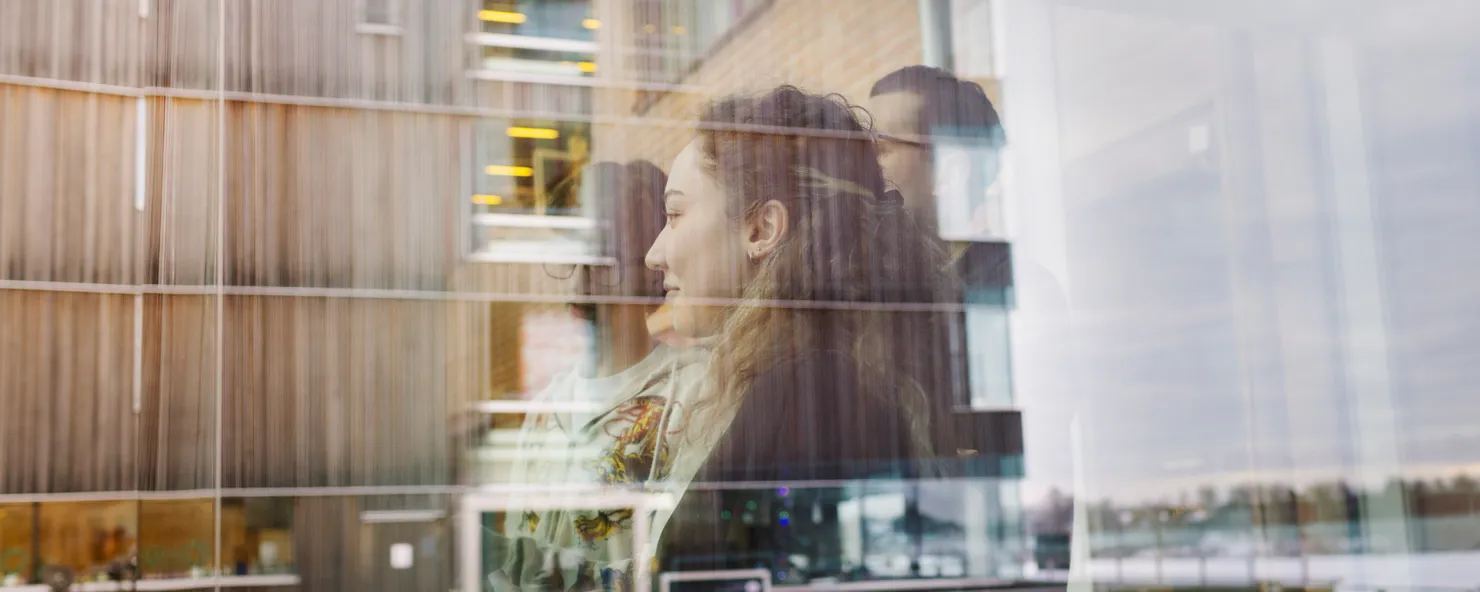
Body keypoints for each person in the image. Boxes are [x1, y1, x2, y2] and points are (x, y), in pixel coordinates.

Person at [645, 85, 960, 575]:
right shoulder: (821, 377)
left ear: (762, 230)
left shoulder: (808, 390)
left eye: (674, 215)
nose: (654, 253)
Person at [484, 160, 708, 591]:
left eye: (598, 257)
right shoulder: (548, 407)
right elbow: (516, 560)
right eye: (571, 257)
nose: (578, 280)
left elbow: (675, 552)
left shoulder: (694, 388)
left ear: (647, 261)